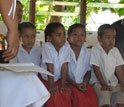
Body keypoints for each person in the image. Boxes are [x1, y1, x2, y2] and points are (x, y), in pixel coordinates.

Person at [38, 22, 72, 107]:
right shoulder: (47, 47)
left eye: (64, 34)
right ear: (49, 38)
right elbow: (50, 67)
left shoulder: (67, 46)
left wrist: (63, 84)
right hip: (46, 79)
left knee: (65, 94)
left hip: (58, 79)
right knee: (53, 95)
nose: (63, 38)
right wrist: (51, 85)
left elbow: (64, 66)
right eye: (58, 35)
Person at [90, 24, 124, 107]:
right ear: (99, 38)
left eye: (114, 37)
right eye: (108, 37)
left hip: (113, 82)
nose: (111, 40)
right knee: (105, 93)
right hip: (98, 82)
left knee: (121, 94)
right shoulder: (95, 50)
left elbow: (118, 68)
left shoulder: (115, 51)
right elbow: (96, 69)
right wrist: (104, 84)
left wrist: (123, 84)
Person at [67, 23, 98, 107]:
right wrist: (75, 84)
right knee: (79, 96)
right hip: (68, 82)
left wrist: (84, 82)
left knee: (91, 95)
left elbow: (88, 71)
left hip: (82, 83)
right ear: (69, 38)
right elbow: (63, 73)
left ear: (85, 39)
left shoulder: (87, 53)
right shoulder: (65, 52)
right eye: (75, 34)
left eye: (82, 35)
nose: (79, 37)